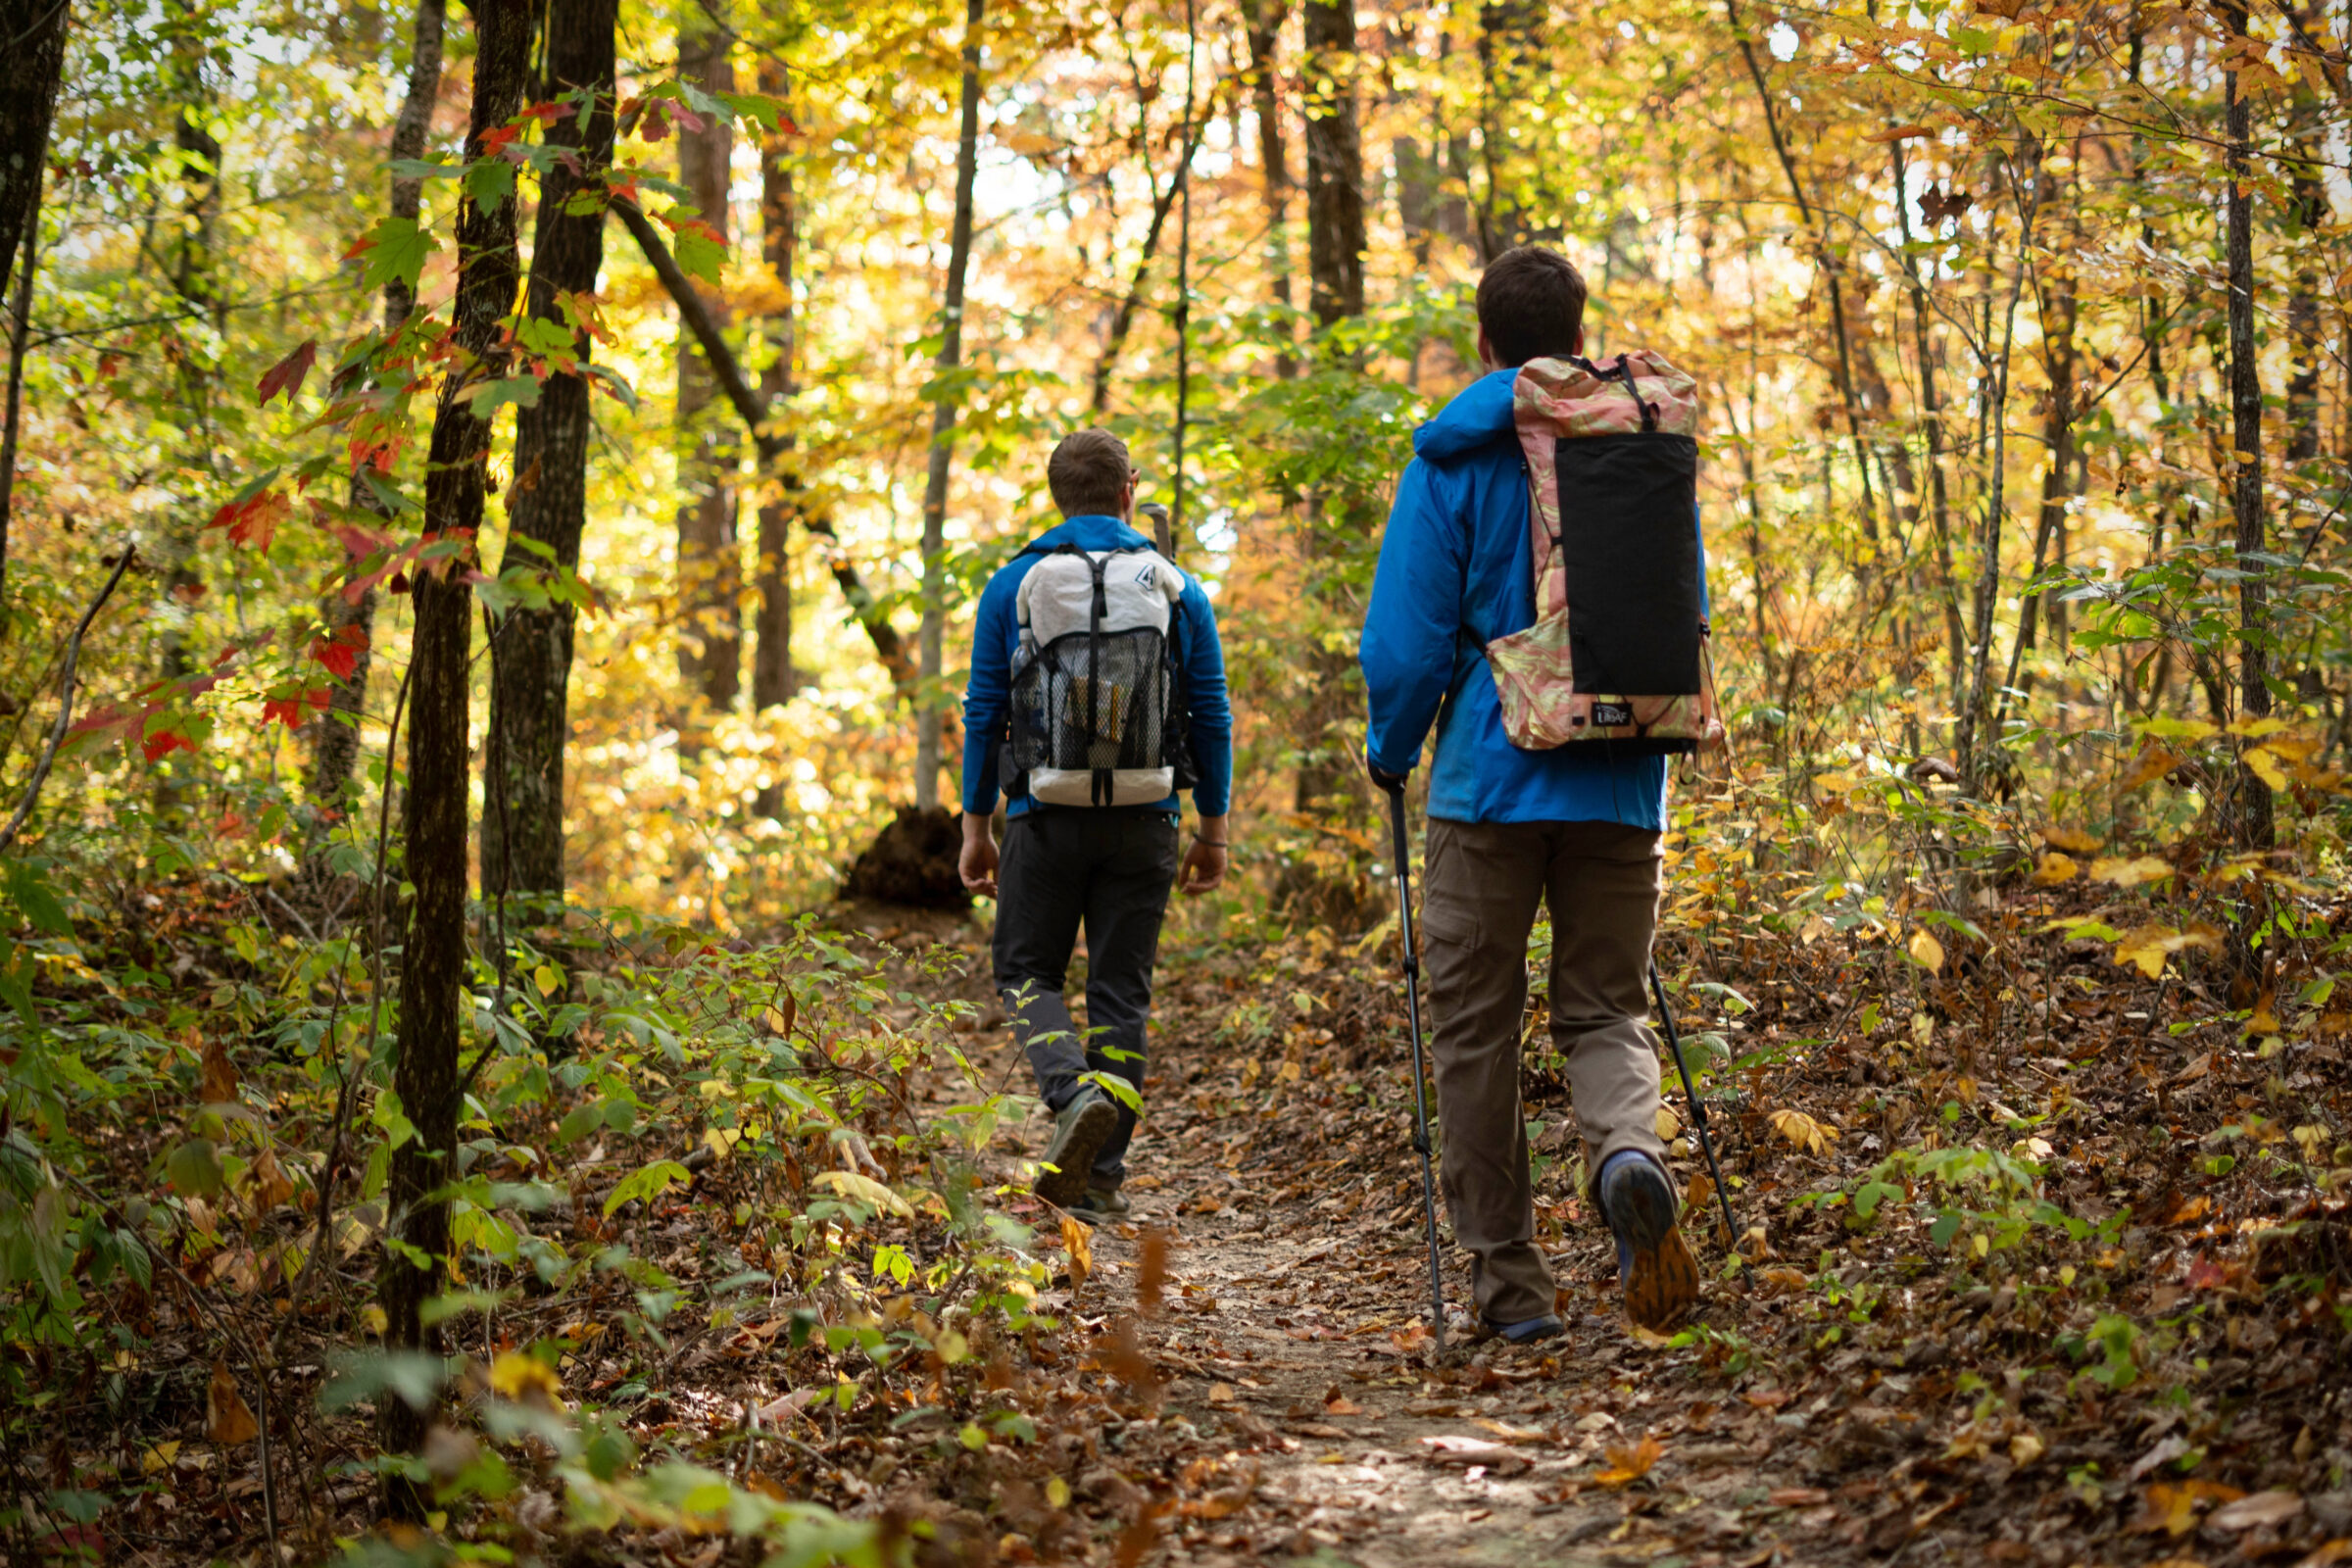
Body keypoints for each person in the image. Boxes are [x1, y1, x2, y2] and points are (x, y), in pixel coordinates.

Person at [1358, 245, 1703, 1339]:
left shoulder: (1454, 459)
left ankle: (1512, 1289)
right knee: (1605, 1005)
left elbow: (1407, 644)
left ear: (1488, 342)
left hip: (1486, 787)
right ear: (1577, 326)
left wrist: (1390, 747)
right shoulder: (1638, 446)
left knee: (1475, 1032)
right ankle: (1629, 1159)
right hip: (1619, 779)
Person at [958, 427, 1234, 1222]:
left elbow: (984, 711)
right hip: (1147, 819)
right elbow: (1211, 713)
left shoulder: (1015, 582)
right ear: (1128, 492)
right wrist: (1213, 831)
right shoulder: (1177, 586)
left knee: (1025, 974)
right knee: (1121, 995)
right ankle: (1104, 1176)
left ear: (1055, 498)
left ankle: (1072, 1095)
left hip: (1044, 817)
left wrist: (976, 824)